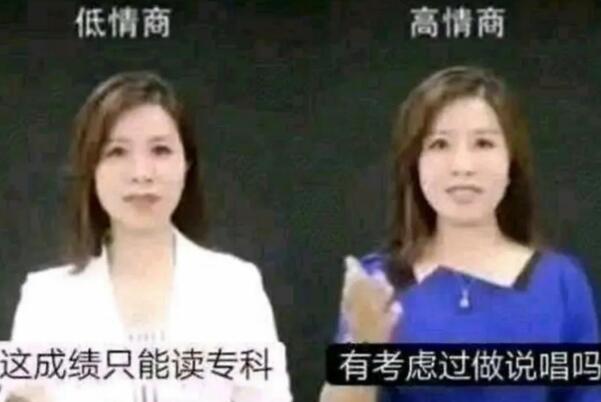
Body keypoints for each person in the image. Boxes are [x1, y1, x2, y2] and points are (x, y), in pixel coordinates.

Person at [3, 71, 292, 402]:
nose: (142, 173)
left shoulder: (236, 287)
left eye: (160, 150)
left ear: (186, 164)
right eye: (117, 152)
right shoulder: (45, 299)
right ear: (91, 169)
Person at [320, 66, 600, 402]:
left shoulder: (560, 282)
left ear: (511, 162)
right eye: (440, 144)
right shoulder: (379, 283)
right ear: (415, 164)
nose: (462, 166)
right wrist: (363, 344)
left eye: (483, 143)